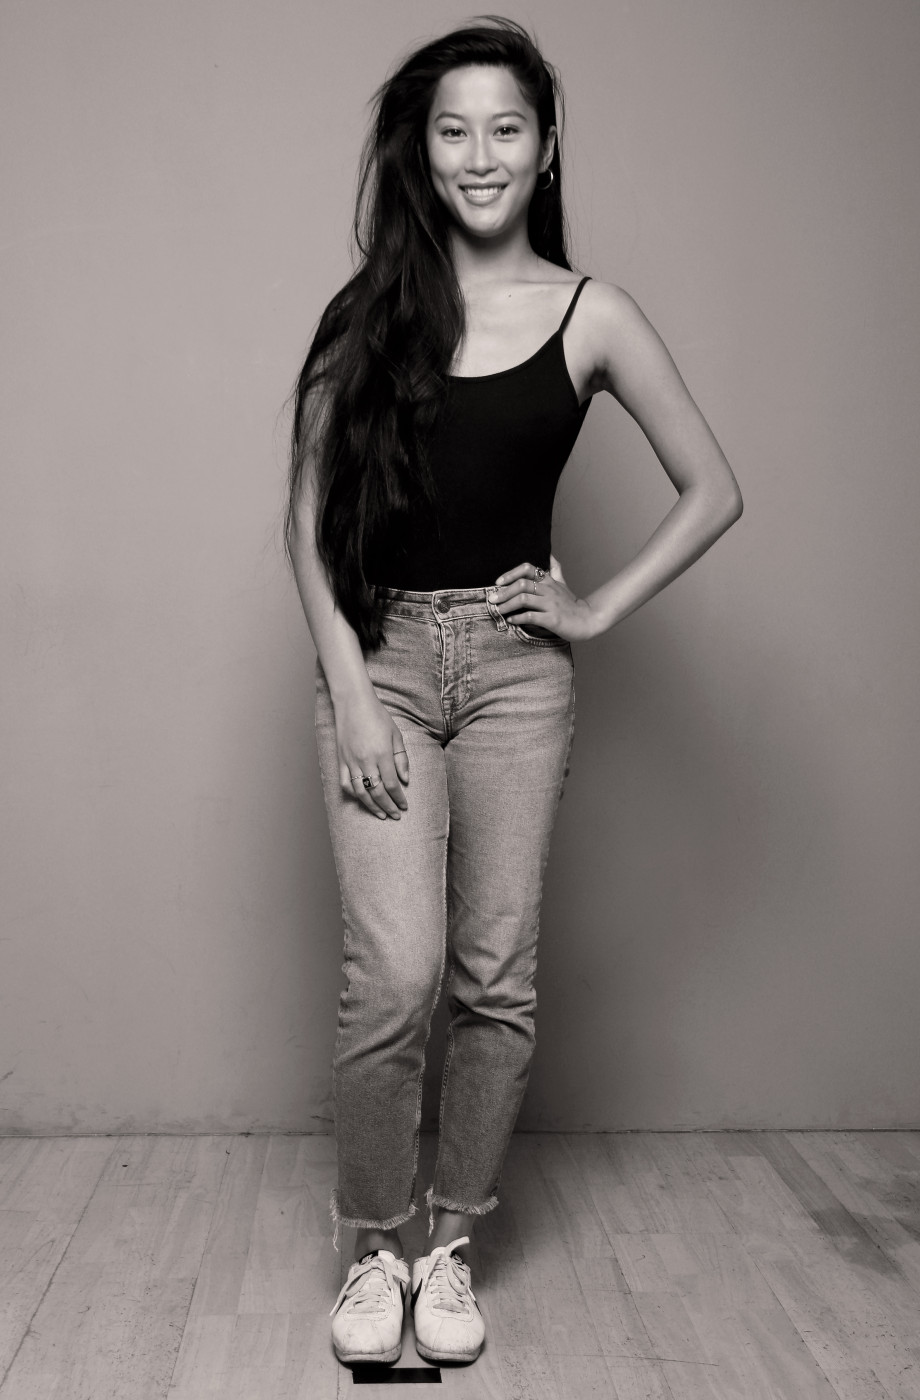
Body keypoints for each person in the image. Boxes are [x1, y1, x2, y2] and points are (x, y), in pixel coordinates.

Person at [284, 16, 742, 1370]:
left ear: (545, 151)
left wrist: (591, 609)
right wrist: (351, 690)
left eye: (506, 128)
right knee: (395, 975)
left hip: (515, 678)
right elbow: (305, 517)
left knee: (494, 977)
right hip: (379, 658)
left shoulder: (594, 314)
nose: (480, 154)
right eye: (453, 130)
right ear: (421, 154)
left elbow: (713, 488)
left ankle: (447, 1248)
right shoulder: (368, 312)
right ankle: (374, 1248)